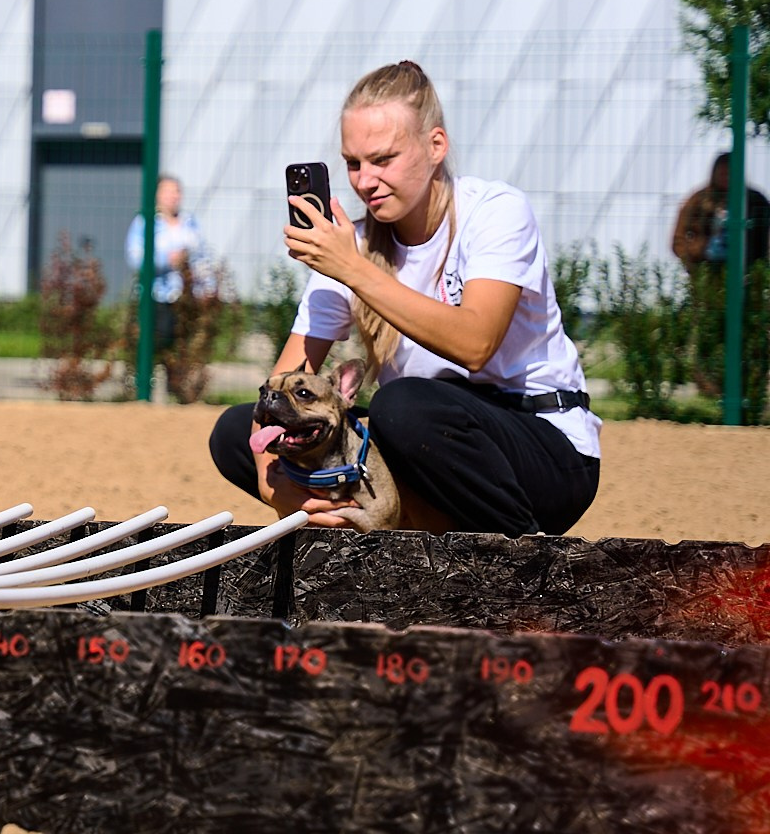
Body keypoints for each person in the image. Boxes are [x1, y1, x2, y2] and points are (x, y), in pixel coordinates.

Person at [206, 61, 600, 536]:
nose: (364, 181)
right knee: (235, 431)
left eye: (383, 159)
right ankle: (400, 541)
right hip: (422, 451)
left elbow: (475, 345)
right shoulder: (352, 245)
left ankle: (522, 562)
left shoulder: (495, 212)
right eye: (353, 163)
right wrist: (279, 490)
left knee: (402, 407)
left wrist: (352, 269)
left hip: (542, 447)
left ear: (436, 146)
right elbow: (282, 386)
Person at [124, 174, 207, 351]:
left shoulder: (189, 222)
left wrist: (206, 287)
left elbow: (202, 256)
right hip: (157, 296)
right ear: (157, 194)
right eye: (168, 191)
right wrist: (167, 260)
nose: (173, 196)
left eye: (177, 191)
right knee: (157, 347)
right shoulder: (145, 222)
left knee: (182, 350)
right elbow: (135, 258)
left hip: (186, 296)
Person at [671, 152, 770, 273]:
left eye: (730, 174)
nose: (726, 178)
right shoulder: (699, 200)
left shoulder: (755, 200)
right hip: (706, 271)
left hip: (750, 272)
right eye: (722, 174)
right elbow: (678, 238)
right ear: (714, 174)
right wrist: (692, 260)